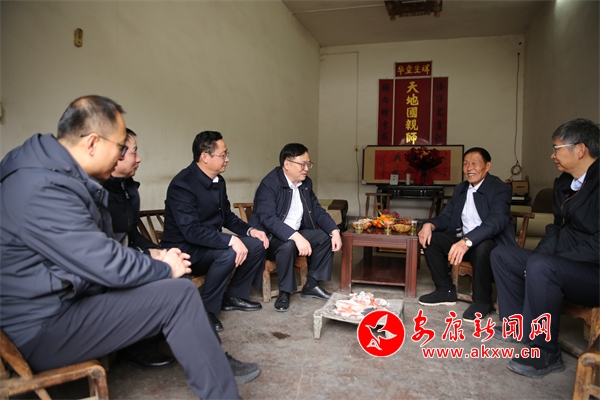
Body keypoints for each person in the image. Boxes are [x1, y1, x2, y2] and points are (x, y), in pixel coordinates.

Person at [0, 95, 246, 399]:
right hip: (42, 325)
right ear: (93, 142)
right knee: (179, 295)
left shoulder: (52, 176)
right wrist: (163, 266)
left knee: (174, 287)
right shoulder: (43, 187)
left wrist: (151, 256)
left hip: (65, 300)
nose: (123, 157)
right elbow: (104, 262)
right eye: (120, 147)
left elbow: (97, 249)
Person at [491, 118, 599, 378]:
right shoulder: (564, 183)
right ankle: (517, 326)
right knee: (503, 255)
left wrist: (549, 262)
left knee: (543, 265)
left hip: (593, 271)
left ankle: (546, 352)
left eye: (556, 148)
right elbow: (556, 228)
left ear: (580, 149)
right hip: (564, 263)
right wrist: (537, 259)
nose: (552, 155)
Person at [161, 131, 269, 331]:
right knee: (229, 252)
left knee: (257, 244)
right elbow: (191, 231)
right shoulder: (182, 185)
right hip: (185, 250)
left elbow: (226, 216)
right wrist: (230, 240)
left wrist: (250, 230)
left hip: (210, 245)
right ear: (205, 156)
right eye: (223, 154)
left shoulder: (218, 181)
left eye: (227, 154)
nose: (227, 159)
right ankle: (204, 309)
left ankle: (233, 296)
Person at [103, 128, 175, 369]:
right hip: (110, 266)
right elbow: (104, 250)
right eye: (134, 153)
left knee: (173, 268)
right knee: (165, 279)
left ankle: (162, 331)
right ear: (116, 156)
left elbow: (132, 232)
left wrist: (157, 251)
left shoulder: (127, 189)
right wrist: (147, 255)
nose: (139, 158)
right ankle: (139, 346)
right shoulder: (97, 192)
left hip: (126, 254)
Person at [417, 147, 515, 321]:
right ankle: (445, 290)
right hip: (465, 243)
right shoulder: (461, 189)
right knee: (432, 239)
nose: (469, 168)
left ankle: (482, 300)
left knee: (483, 247)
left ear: (488, 166)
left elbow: (496, 221)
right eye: (465, 164)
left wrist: (468, 241)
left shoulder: (500, 188)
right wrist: (429, 224)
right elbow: (447, 217)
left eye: (475, 164)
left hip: (491, 245)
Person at [249, 143, 342, 312]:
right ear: (287, 164)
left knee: (324, 238)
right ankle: (285, 292)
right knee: (288, 244)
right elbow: (268, 219)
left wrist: (334, 230)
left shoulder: (305, 183)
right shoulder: (270, 183)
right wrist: (295, 236)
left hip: (296, 232)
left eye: (309, 164)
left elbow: (316, 210)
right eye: (302, 164)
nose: (307, 168)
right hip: (270, 237)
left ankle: (311, 284)